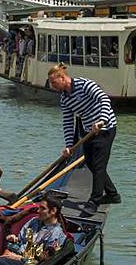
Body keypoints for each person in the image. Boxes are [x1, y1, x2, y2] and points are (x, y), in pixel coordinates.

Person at [47, 62, 121, 215]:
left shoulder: (84, 84)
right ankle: (113, 195)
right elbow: (68, 122)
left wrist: (101, 120)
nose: (52, 86)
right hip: (88, 131)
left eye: (54, 82)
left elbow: (104, 100)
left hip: (105, 128)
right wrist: (69, 145)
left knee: (99, 165)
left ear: (62, 78)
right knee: (91, 164)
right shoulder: (64, 98)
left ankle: (94, 201)